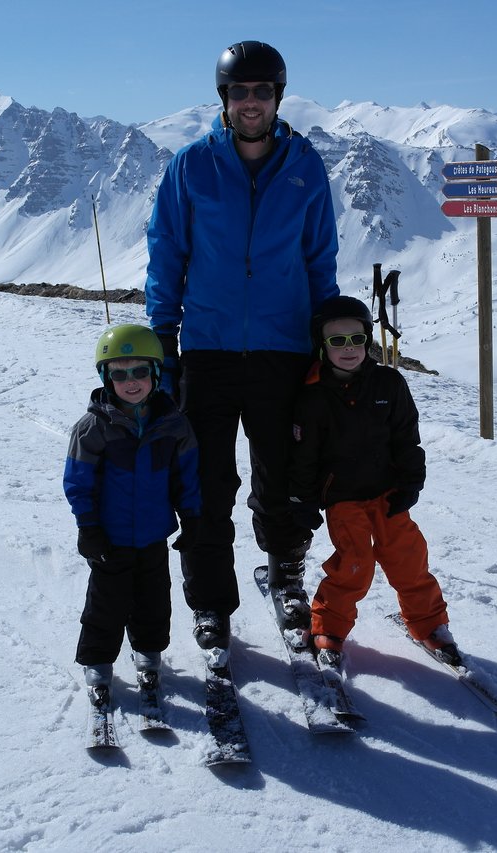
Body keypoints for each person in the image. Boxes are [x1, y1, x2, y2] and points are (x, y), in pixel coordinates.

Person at [144, 40, 339, 663]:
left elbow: (319, 261)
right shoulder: (191, 168)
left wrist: (322, 342)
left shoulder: (306, 167)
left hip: (283, 349)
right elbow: (167, 256)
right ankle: (209, 603)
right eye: (239, 92)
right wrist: (164, 344)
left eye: (262, 91)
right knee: (206, 482)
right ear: (223, 100)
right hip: (208, 349)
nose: (250, 102)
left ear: (277, 98)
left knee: (282, 476)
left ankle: (285, 577)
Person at [286, 296, 462, 669]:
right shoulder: (313, 395)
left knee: (409, 560)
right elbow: (305, 454)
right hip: (343, 498)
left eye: (356, 339)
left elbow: (406, 438)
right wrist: (302, 499)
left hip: (388, 493)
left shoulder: (388, 383)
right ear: (322, 344)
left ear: (368, 340)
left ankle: (430, 624)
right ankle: (329, 626)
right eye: (337, 341)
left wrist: (410, 483)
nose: (348, 349)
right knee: (354, 565)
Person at [63, 324, 202, 699]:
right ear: (106, 378)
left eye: (140, 371)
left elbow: (186, 477)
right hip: (111, 535)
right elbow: (78, 482)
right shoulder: (93, 428)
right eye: (119, 374)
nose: (131, 381)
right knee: (107, 602)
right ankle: (97, 661)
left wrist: (191, 517)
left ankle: (148, 652)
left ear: (156, 373)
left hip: (155, 533)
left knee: (154, 599)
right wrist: (88, 526)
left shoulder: (174, 426)